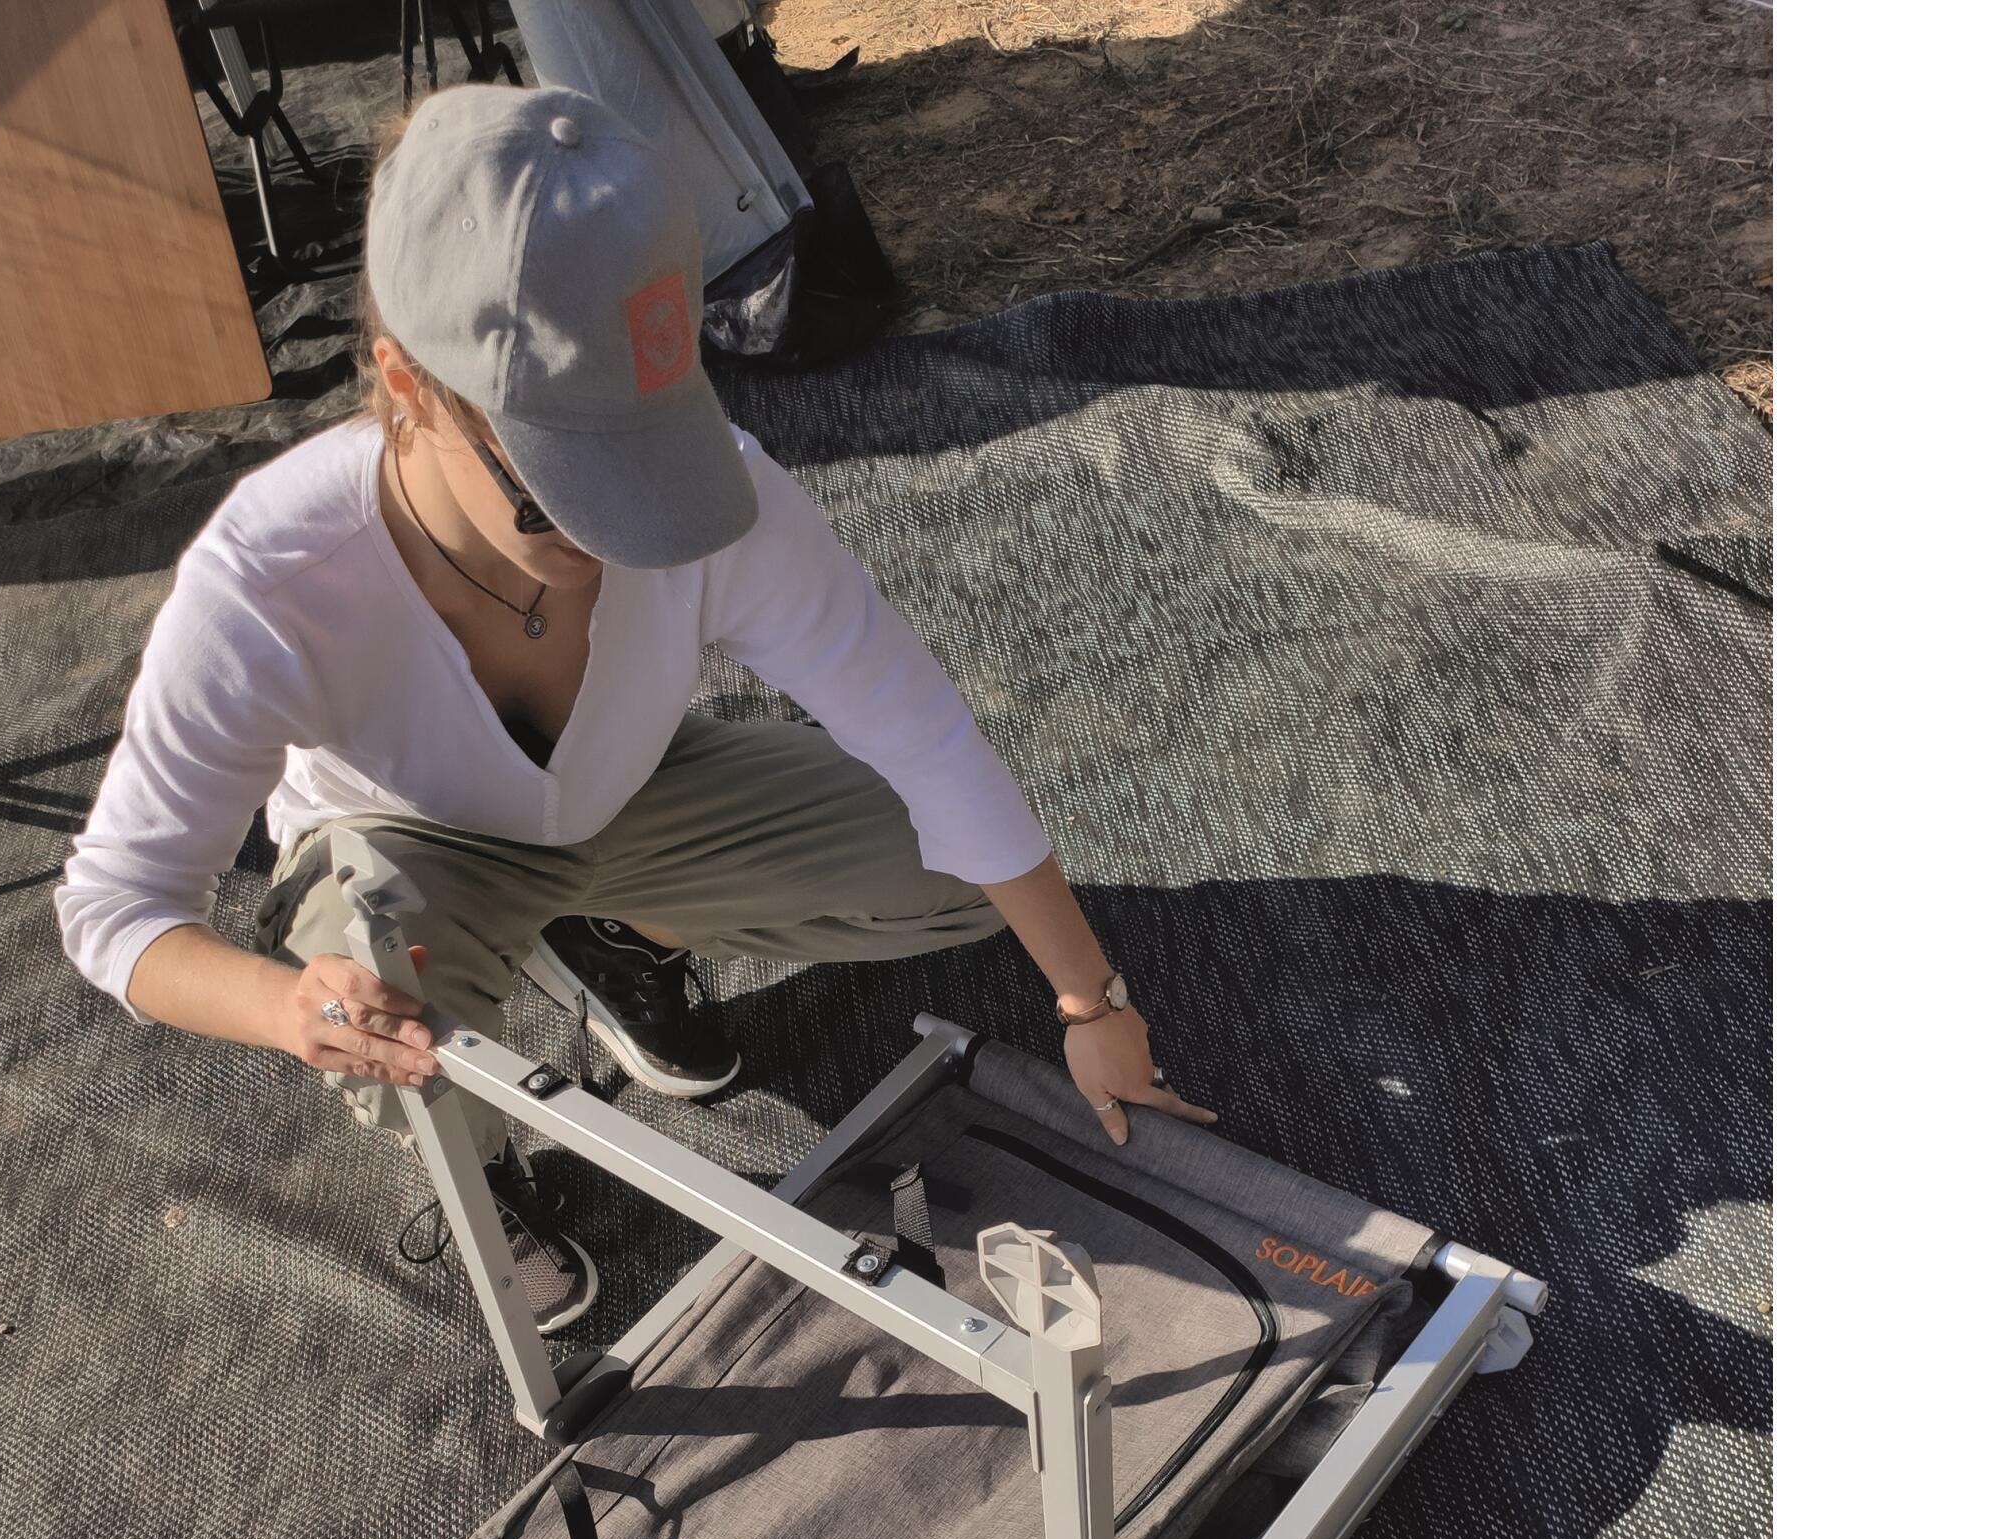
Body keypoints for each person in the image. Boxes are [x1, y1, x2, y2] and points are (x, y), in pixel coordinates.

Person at [59, 83, 1211, 1333]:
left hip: (633, 796)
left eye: (649, 464)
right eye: (562, 483)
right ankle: (474, 1164)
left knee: (957, 878)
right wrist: (288, 1009)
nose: (617, 533)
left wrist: (1091, 1002)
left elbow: (925, 736)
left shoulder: (731, 498)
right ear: (410, 385)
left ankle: (600, 925)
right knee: (399, 1029)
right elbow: (116, 908)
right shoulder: (271, 582)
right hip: (413, 848)